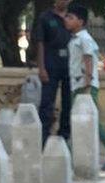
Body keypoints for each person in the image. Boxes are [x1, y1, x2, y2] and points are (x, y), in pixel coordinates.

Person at [64, 4, 105, 171]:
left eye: (70, 17)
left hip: (84, 85)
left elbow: (88, 59)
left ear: (81, 21)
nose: (66, 20)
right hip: (77, 84)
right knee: (79, 119)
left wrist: (88, 84)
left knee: (90, 120)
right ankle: (70, 154)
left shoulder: (84, 38)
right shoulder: (75, 39)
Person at [32, 0, 72, 145]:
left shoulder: (72, 17)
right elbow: (40, 43)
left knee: (68, 103)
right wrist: (41, 67)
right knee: (47, 103)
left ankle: (64, 136)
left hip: (70, 66)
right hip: (51, 64)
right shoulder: (45, 17)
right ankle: (43, 138)